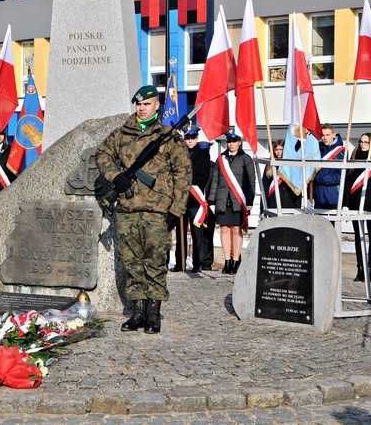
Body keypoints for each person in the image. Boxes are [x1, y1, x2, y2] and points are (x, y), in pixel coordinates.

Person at [96, 85, 191, 334]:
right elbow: (102, 154)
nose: (141, 108)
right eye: (138, 104)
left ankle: (153, 313)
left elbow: (183, 174)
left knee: (156, 262)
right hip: (127, 209)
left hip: (157, 211)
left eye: (146, 104)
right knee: (132, 263)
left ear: (157, 105)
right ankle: (137, 312)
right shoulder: (122, 133)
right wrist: (116, 176)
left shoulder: (169, 136)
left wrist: (176, 210)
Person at [209, 132, 256, 275]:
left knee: (236, 229)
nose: (231, 144)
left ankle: (236, 261)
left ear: (239, 142)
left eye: (234, 141)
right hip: (223, 199)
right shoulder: (220, 159)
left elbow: (250, 182)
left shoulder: (245, 159)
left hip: (238, 200)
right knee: (224, 229)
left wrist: (249, 201)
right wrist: (212, 200)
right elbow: (215, 181)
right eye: (229, 141)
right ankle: (227, 261)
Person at [174, 126, 215, 272]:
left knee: (197, 234)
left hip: (195, 200)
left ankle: (198, 264)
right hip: (181, 199)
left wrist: (186, 180)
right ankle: (180, 263)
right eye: (187, 138)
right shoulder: (179, 153)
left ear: (197, 138)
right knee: (180, 233)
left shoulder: (203, 154)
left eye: (192, 138)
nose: (190, 141)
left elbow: (203, 177)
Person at [346, 133, 371, 282]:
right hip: (356, 204)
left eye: (366, 142)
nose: (363, 144)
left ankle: (370, 267)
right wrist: (346, 204)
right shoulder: (354, 158)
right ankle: (360, 268)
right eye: (361, 141)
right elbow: (348, 182)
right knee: (359, 237)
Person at [262, 139, 302, 210]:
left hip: (288, 202)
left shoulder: (292, 166)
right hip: (272, 201)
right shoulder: (269, 165)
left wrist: (297, 207)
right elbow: (265, 187)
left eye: (281, 149)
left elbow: (297, 187)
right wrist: (262, 208)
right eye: (276, 149)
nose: (278, 152)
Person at [313, 123, 346, 210]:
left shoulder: (341, 152)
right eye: (323, 135)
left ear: (333, 134)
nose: (325, 138)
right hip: (318, 196)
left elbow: (341, 175)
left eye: (328, 135)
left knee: (333, 224)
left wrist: (323, 179)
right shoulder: (316, 150)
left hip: (333, 196)